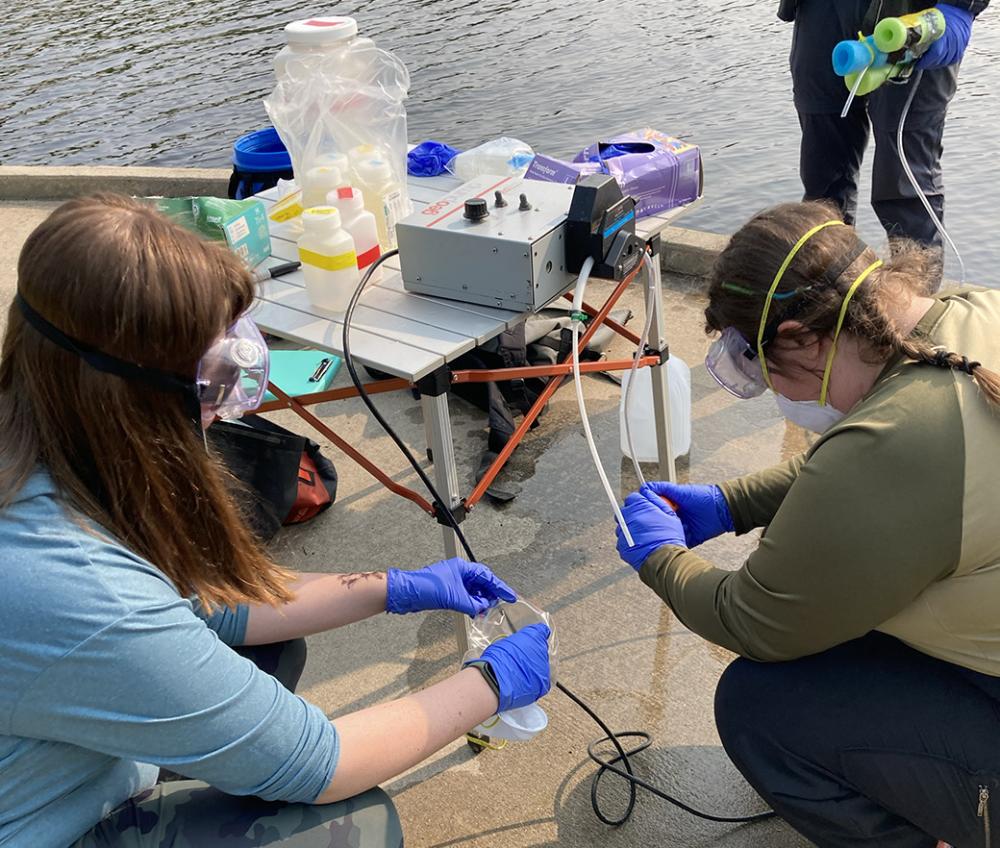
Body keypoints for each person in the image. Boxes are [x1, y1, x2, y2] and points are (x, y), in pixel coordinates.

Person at [0, 194, 553, 848]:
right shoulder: (85, 593)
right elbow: (321, 763)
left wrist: (395, 586)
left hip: (57, 755)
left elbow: (217, 607)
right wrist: (490, 684)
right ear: (129, 395)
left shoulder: (40, 447)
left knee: (269, 645)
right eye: (213, 377)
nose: (226, 405)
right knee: (353, 827)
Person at [616, 200, 1000, 847]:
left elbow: (753, 620)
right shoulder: (968, 317)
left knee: (761, 709)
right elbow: (873, 480)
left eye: (758, 367)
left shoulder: (891, 444)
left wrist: (661, 560)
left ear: (799, 338)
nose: (776, 392)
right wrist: (730, 502)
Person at [778, 0, 988, 282]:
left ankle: (912, 311)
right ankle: (823, 300)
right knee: (822, 181)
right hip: (821, 13)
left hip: (913, 15)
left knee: (906, 180)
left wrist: (961, 6)